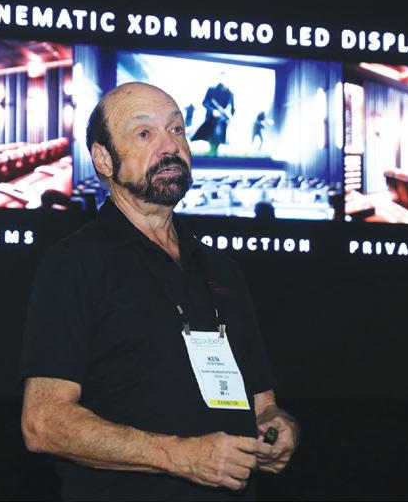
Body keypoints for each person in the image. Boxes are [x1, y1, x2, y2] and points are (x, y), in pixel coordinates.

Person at [20, 82, 299, 501]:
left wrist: (279, 426)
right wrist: (181, 456)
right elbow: (43, 422)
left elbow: (262, 402)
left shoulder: (220, 268)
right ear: (103, 159)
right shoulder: (76, 263)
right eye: (145, 133)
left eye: (177, 130)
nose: (170, 146)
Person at [190, 72, 235, 154]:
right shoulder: (211, 89)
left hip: (222, 120)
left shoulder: (230, 93)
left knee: (218, 137)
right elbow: (204, 102)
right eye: (222, 77)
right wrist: (213, 111)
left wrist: (229, 116)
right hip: (210, 118)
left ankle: (214, 154)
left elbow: (232, 109)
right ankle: (212, 154)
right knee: (210, 137)